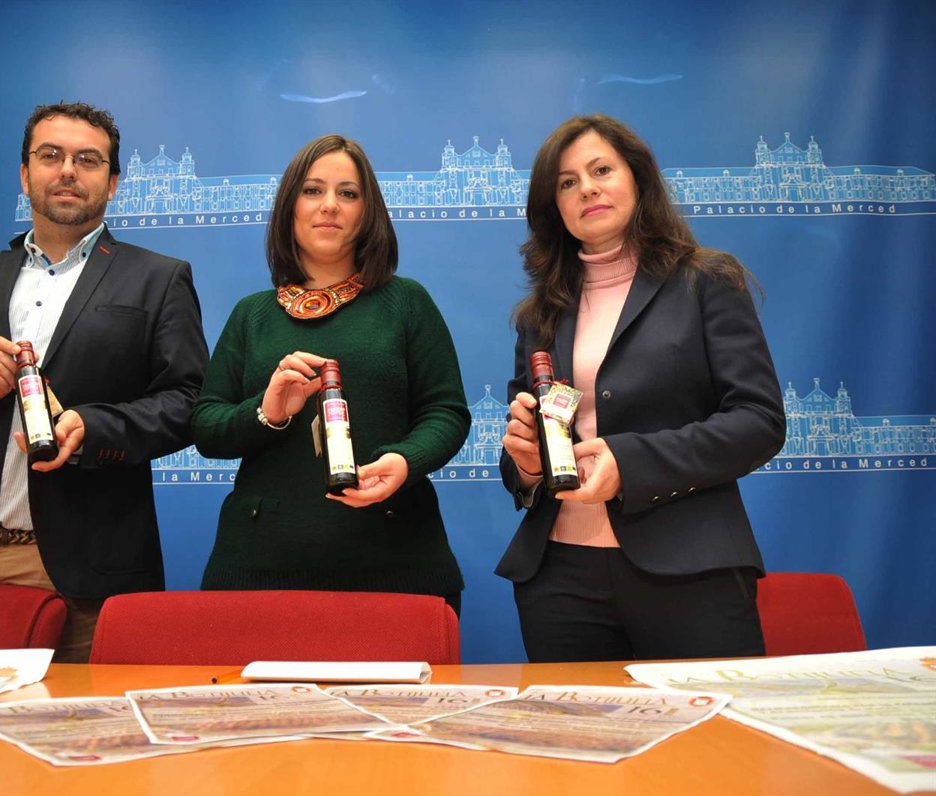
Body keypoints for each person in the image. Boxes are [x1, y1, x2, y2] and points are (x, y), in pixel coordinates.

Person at [0, 102, 208, 661]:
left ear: (113, 182)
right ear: (24, 172)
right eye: (51, 155)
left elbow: (188, 402)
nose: (67, 170)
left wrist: (94, 428)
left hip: (89, 576)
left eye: (88, 159)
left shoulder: (158, 279)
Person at [497, 114, 786, 662]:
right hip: (559, 577)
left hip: (689, 569)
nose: (587, 188)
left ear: (638, 178)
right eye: (567, 182)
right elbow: (523, 450)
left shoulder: (706, 280)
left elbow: (759, 421)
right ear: (554, 207)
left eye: (602, 170)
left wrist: (628, 464)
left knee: (711, 723)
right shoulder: (541, 314)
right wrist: (528, 466)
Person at [191, 134, 469, 613]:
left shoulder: (407, 302)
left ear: (368, 212)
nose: (330, 205)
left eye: (348, 193)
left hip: (398, 563)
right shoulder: (251, 314)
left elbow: (446, 413)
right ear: (290, 206)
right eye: (313, 190)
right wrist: (266, 413)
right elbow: (206, 427)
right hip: (259, 570)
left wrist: (405, 460)